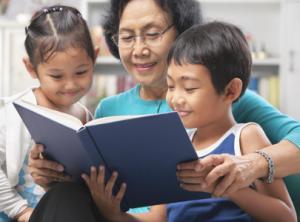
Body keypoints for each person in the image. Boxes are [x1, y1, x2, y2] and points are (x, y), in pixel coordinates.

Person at [28, 0, 300, 218]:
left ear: (182, 31)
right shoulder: (108, 108)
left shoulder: (233, 103)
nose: (139, 49)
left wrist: (251, 166)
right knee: (62, 196)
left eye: (152, 34)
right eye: (126, 37)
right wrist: (51, 174)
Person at [0, 4, 97, 222]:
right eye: (56, 76)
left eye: (81, 72)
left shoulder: (85, 116)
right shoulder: (14, 112)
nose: (70, 84)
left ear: (95, 59)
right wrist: (21, 211)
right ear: (31, 68)